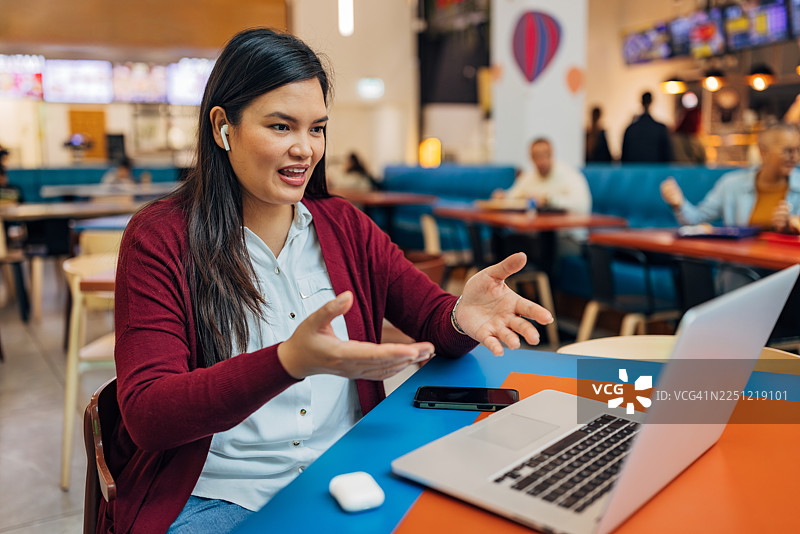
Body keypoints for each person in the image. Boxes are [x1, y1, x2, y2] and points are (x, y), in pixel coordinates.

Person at [102, 28, 553, 534]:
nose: (304, 149)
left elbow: (430, 318)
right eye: (280, 126)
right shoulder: (160, 237)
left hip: (348, 472)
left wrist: (459, 315)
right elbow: (148, 414)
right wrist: (286, 363)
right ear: (222, 126)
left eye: (316, 128)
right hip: (218, 496)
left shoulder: (344, 224)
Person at [661, 123, 800, 232]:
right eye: (787, 151)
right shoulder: (731, 184)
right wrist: (679, 204)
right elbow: (696, 220)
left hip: (788, 267)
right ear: (762, 151)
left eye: (798, 150)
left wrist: (794, 228)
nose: (795, 157)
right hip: (738, 267)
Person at [492, 138, 591, 216]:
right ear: (531, 157)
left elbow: (582, 205)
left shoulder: (570, 175)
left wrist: (548, 200)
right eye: (536, 156)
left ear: (552, 154)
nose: (541, 160)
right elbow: (514, 195)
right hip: (535, 233)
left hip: (567, 236)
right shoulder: (529, 176)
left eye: (545, 154)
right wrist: (503, 196)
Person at [621, 91, 674, 163]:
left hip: (635, 172)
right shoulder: (660, 128)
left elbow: (624, 158)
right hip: (656, 172)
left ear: (641, 102)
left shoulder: (630, 129)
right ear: (651, 101)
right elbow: (667, 157)